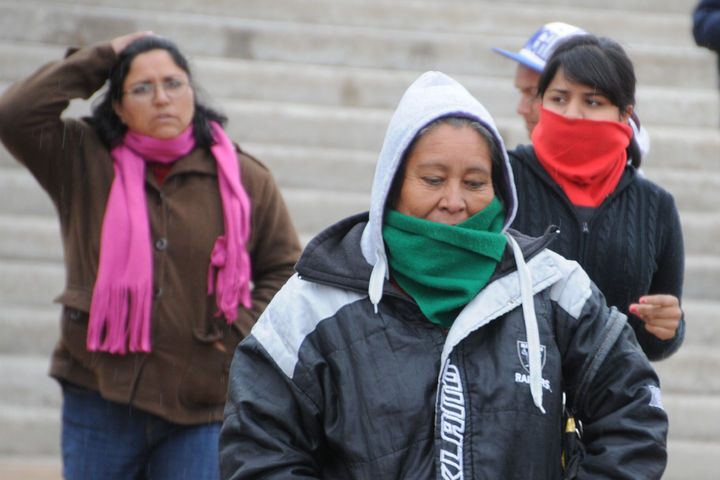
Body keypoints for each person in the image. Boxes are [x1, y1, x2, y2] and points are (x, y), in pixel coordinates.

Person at [218, 71, 668, 479]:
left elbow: (633, 411)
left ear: (500, 188)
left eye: (475, 182)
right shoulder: (314, 301)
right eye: (433, 179)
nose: (455, 201)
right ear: (392, 183)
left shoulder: (552, 286)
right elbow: (260, 448)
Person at [0, 31, 301, 479]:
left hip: (200, 404)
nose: (162, 97)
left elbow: (285, 270)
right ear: (118, 106)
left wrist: (236, 333)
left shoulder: (245, 177)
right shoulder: (81, 158)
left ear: (192, 93)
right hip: (98, 395)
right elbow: (14, 116)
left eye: (174, 83)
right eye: (142, 88)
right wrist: (103, 56)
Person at [508, 34, 685, 362]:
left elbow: (658, 336)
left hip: (611, 400)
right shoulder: (502, 179)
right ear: (540, 102)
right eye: (559, 98)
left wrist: (668, 328)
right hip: (514, 392)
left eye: (592, 102)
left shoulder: (656, 206)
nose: (572, 114)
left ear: (624, 114)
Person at [492, 22, 651, 159]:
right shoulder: (509, 176)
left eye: (534, 93)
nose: (521, 109)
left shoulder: (642, 192)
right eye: (558, 99)